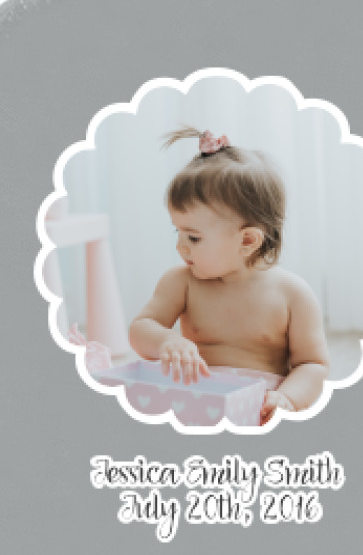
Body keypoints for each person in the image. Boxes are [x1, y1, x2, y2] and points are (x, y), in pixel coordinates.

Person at [128, 128, 329, 421]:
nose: (180, 246)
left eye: (193, 237)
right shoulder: (181, 282)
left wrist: (287, 398)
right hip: (195, 401)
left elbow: (312, 365)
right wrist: (166, 341)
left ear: (247, 240)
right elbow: (140, 328)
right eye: (177, 232)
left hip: (257, 408)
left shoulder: (292, 294)